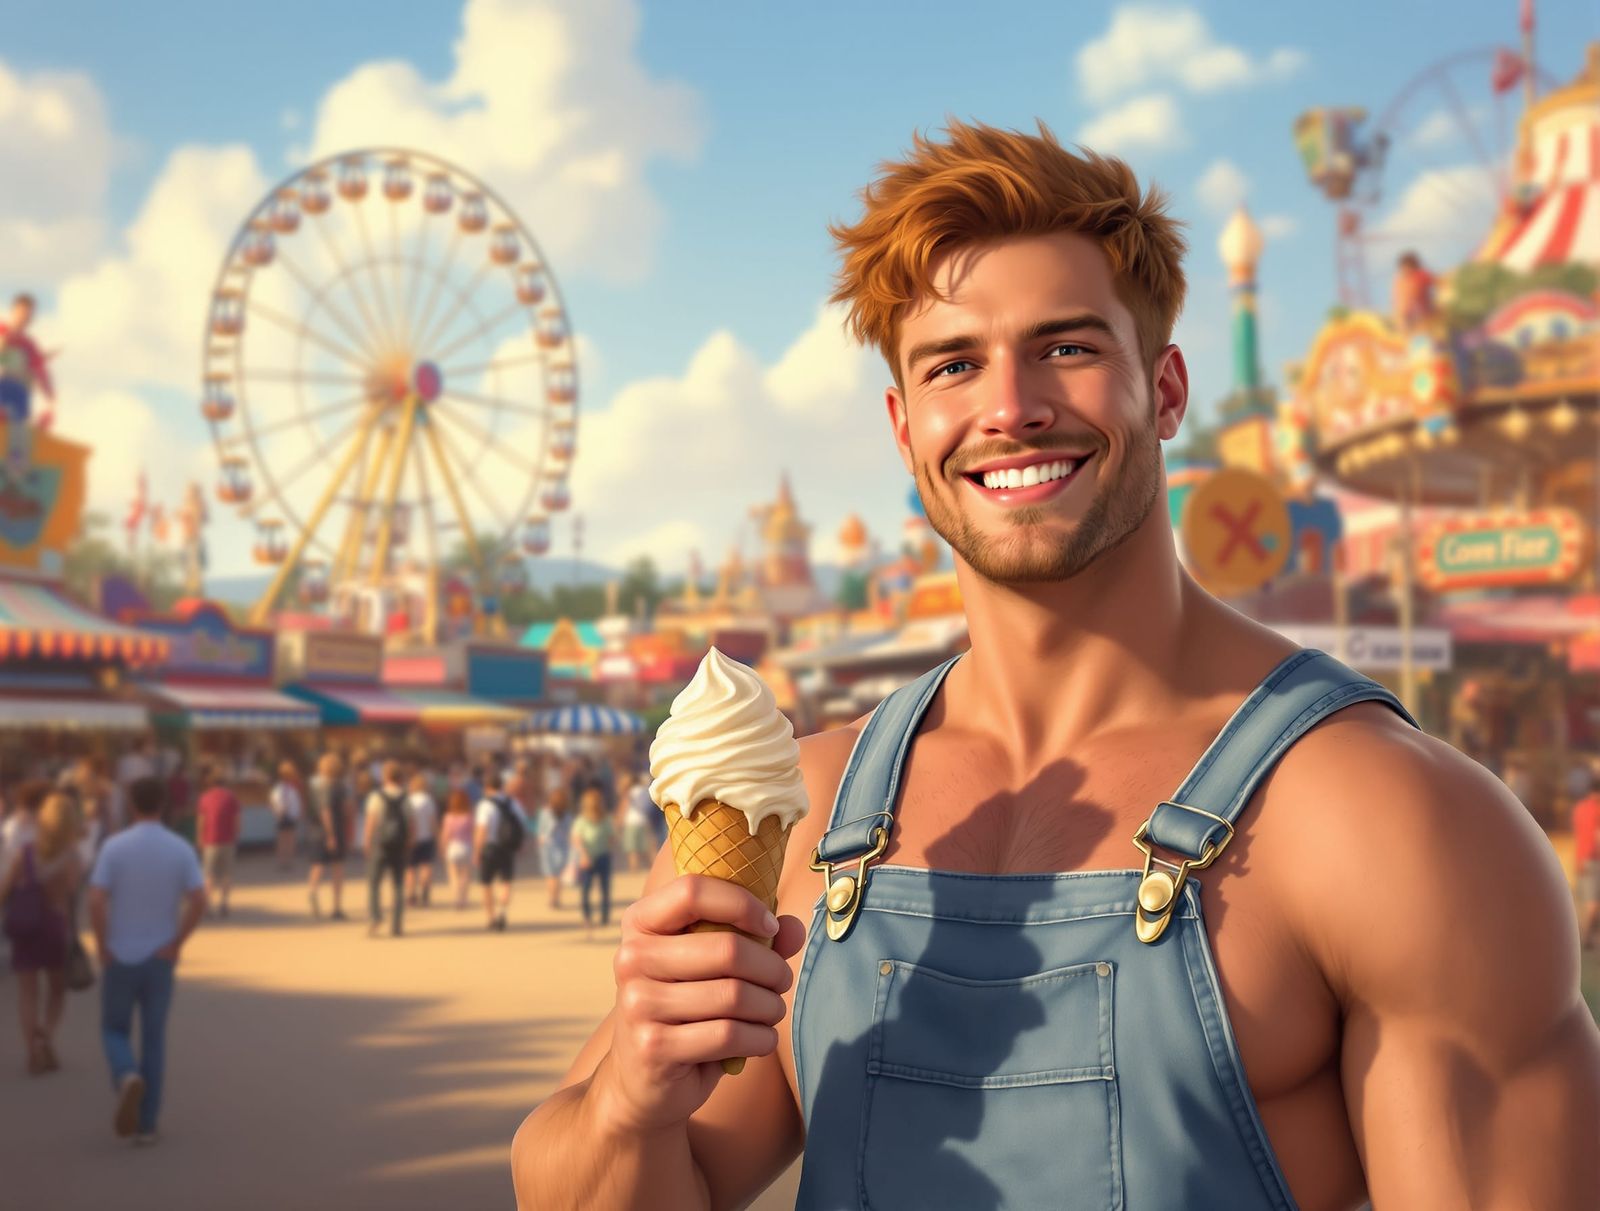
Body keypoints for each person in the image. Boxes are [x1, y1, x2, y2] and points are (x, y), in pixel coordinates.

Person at [512, 121, 1600, 1209]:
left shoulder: (1393, 820)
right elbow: (605, 1184)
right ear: (904, 428)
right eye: (953, 364)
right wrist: (627, 1103)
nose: (1009, 406)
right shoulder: (803, 810)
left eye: (1068, 347)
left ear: (1165, 391)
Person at [88, 775, 205, 1144]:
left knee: (113, 1029)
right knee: (154, 1039)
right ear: (165, 804)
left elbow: (95, 899)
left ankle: (125, 1074)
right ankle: (147, 1124)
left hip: (121, 953)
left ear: (132, 804)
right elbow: (199, 899)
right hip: (160, 956)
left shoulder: (114, 846)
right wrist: (177, 942)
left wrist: (102, 944)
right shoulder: (180, 847)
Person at [1, 789, 81, 1074]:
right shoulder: (73, 856)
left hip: (25, 926)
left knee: (27, 992)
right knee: (57, 991)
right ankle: (45, 1034)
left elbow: (4, 890)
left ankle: (31, 1050)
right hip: (55, 926)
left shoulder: (25, 853)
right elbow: (72, 891)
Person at [473, 770, 529, 932]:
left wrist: (477, 851)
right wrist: (522, 843)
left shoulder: (485, 805)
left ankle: (491, 917)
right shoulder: (512, 803)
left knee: (487, 884)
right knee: (506, 882)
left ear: (487, 787)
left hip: (489, 847)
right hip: (507, 847)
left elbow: (481, 830)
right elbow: (522, 823)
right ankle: (502, 911)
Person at [362, 761, 410, 938]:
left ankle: (375, 917)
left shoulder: (376, 797)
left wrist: (367, 842)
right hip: (398, 844)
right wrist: (409, 843)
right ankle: (397, 924)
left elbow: (371, 821)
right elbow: (411, 824)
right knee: (398, 884)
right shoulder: (405, 797)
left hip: (379, 844)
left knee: (374, 883)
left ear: (385, 776)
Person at [0, 292, 56, 427]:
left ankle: (18, 428)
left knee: (24, 365)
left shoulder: (29, 345)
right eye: (22, 313)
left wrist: (50, 400)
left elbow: (40, 372)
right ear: (14, 311)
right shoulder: (2, 330)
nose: (24, 318)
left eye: (29, 315)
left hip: (17, 394)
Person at [192, 766, 240, 919]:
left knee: (208, 875)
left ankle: (208, 905)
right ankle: (224, 903)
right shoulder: (231, 797)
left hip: (210, 840)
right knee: (227, 874)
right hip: (227, 839)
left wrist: (199, 838)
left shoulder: (204, 798)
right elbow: (237, 820)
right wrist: (236, 836)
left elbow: (201, 821)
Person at [306, 753, 350, 920]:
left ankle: (313, 890)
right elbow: (327, 811)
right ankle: (337, 907)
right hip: (334, 829)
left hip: (315, 830)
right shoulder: (337, 787)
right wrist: (331, 834)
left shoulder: (314, 786)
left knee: (318, 864)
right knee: (337, 868)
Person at [570, 788, 614, 942]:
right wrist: (584, 854)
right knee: (595, 889)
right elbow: (576, 839)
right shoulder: (583, 820)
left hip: (598, 857)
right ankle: (594, 919)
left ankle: (598, 918)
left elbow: (576, 839)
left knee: (596, 890)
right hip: (592, 857)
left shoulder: (603, 818)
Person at [1574, 759, 1600, 952]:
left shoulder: (1579, 808)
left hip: (1580, 857)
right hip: (1594, 858)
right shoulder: (1598, 810)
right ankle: (1586, 938)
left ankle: (1588, 938)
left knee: (1586, 901)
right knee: (1593, 902)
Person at [534, 787, 572, 912]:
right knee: (558, 875)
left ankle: (552, 898)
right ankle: (557, 897)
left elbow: (540, 831)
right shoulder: (567, 815)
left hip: (548, 847)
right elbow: (570, 832)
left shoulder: (545, 813)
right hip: (563, 847)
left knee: (550, 875)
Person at [404, 771, 439, 907]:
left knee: (410, 868)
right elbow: (432, 821)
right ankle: (425, 890)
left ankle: (411, 894)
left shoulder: (409, 800)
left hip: (411, 838)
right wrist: (436, 836)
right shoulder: (428, 800)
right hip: (426, 837)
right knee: (426, 866)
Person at [440, 789, 476, 909]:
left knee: (454, 876)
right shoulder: (469, 817)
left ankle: (456, 898)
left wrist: (442, 848)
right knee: (465, 875)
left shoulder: (448, 817)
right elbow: (474, 833)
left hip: (453, 847)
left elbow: (445, 835)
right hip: (466, 846)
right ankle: (464, 899)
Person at [618, 771, 656, 873]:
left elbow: (624, 807)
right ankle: (655, 869)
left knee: (633, 849)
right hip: (644, 821)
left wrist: (619, 822)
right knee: (648, 847)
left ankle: (634, 871)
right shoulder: (644, 791)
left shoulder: (629, 793)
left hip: (631, 823)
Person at [268, 761, 303, 871]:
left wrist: (297, 812)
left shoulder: (289, 788)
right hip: (284, 814)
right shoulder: (281, 788)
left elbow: (296, 801)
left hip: (288, 814)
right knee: (286, 839)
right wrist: (278, 811)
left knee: (286, 839)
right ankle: (284, 861)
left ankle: (286, 861)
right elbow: (274, 801)